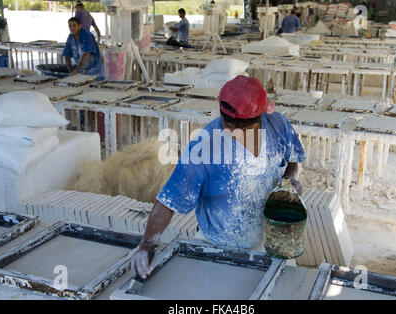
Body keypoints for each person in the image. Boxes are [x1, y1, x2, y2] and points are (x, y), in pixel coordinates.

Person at [130, 76, 305, 279]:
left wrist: (289, 181)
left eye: (244, 130)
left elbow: (292, 160)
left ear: (260, 117)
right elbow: (169, 200)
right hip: (218, 245)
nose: (234, 134)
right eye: (228, 126)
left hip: (273, 240)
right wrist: (147, 245)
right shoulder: (204, 148)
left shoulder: (278, 125)